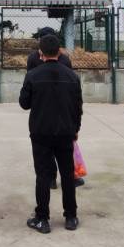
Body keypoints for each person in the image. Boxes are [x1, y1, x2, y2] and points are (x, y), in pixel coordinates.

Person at [19, 34, 83, 234]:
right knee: (67, 175)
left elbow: (24, 104)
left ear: (40, 53)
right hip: (66, 131)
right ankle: (71, 216)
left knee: (43, 176)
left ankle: (42, 218)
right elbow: (78, 107)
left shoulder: (33, 75)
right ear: (60, 52)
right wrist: (75, 129)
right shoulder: (73, 76)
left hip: (41, 131)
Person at [26, 27, 83, 189]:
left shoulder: (32, 60)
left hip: (42, 111)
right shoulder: (65, 60)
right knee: (64, 150)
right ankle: (70, 184)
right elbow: (76, 96)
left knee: (45, 150)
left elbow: (26, 95)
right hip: (64, 113)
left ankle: (50, 179)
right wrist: (76, 125)